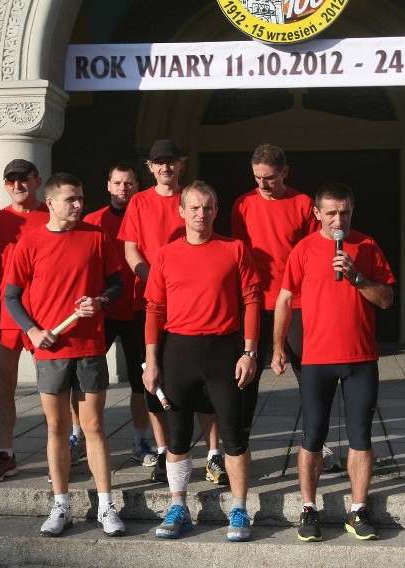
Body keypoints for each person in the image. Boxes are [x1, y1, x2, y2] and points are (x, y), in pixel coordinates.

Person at [4, 172, 126, 537]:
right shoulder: (29, 243)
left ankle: (106, 505)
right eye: (70, 199)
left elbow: (116, 285)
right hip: (51, 350)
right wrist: (33, 330)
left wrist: (100, 301)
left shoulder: (96, 237)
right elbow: (11, 296)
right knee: (56, 428)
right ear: (51, 202)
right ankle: (61, 505)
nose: (77, 205)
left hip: (89, 347)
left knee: (94, 427)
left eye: (81, 198)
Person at [272, 182, 395, 543]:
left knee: (361, 436)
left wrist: (357, 276)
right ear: (316, 213)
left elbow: (386, 298)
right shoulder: (304, 249)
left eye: (344, 212)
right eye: (330, 213)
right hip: (317, 359)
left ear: (352, 210)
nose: (338, 219)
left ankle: (358, 510)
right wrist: (278, 347)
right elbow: (283, 299)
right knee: (313, 435)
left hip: (360, 358)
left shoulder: (367, 246)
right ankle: (309, 508)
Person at [143, 181, 260, 542]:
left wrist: (250, 352)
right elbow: (154, 308)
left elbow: (252, 299)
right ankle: (178, 507)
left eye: (207, 207)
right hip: (177, 351)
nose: (201, 213)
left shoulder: (235, 248)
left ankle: (239, 510)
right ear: (181, 211)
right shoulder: (164, 255)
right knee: (177, 438)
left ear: (215, 210)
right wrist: (151, 360)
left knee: (233, 436)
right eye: (193, 207)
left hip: (223, 351)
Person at [118, 139, 225, 485]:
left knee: (205, 384)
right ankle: (165, 451)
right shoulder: (138, 201)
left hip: (193, 307)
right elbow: (131, 250)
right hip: (149, 301)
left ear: (182, 164)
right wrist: (153, 279)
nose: (165, 168)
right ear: (150, 168)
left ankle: (212, 454)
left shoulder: (194, 200)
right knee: (154, 377)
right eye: (158, 163)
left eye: (171, 162)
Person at [230, 144, 339, 471]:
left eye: (270, 178)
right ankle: (241, 444)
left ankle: (317, 443)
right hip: (255, 300)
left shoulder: (304, 203)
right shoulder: (243, 204)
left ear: (285, 172)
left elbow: (314, 251)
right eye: (257, 178)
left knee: (309, 373)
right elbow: (239, 254)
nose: (263, 185)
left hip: (297, 301)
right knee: (246, 374)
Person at [0, 159, 49, 483]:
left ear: (37, 181)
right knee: (3, 388)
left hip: (44, 316)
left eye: (24, 179)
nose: (17, 185)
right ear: (5, 185)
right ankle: (5, 453)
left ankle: (59, 452)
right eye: (11, 181)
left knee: (53, 388)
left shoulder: (52, 218)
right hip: (4, 317)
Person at [83, 162, 157, 467]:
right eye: (117, 183)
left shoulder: (143, 217)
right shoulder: (92, 220)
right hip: (101, 310)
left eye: (129, 184)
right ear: (108, 185)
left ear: (137, 186)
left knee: (142, 382)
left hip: (137, 308)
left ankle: (140, 440)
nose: (123, 189)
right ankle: (79, 435)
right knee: (87, 381)